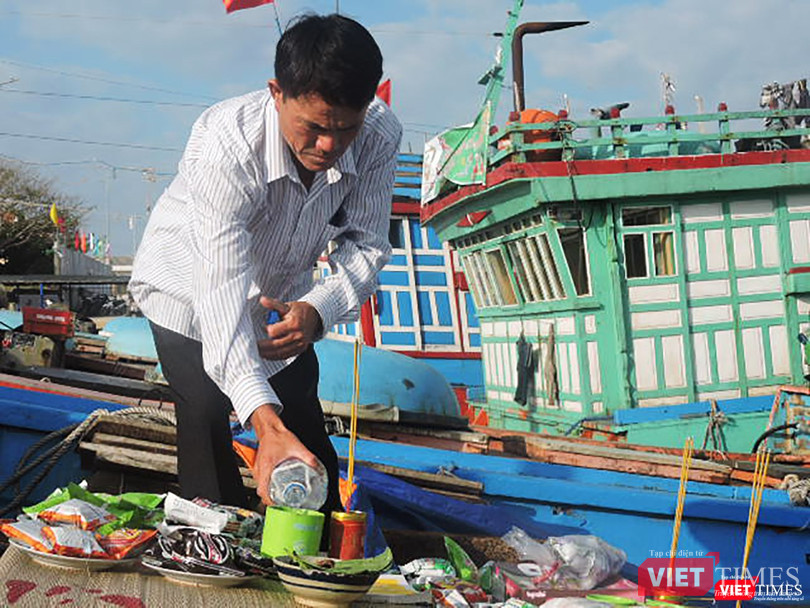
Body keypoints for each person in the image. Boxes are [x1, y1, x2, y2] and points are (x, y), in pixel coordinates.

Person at [128, 13, 401, 516]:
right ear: (277, 92)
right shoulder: (226, 145)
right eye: (315, 127)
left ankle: (305, 567)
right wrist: (264, 425)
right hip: (187, 290)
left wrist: (317, 310)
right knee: (210, 409)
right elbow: (221, 293)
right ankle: (211, 546)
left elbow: (366, 244)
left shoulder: (380, 135)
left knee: (309, 452)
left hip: (280, 300)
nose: (329, 146)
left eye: (346, 129)